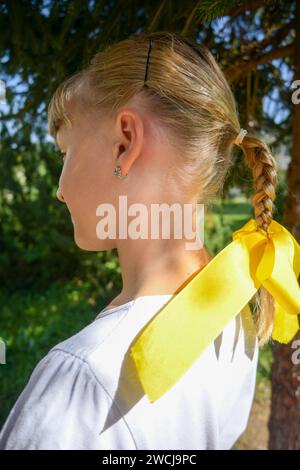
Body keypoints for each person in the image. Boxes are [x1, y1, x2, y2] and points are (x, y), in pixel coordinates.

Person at [1, 30, 281, 450]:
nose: (59, 189)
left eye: (65, 153)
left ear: (124, 143)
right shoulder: (236, 310)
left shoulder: (84, 384)